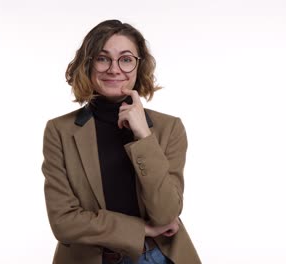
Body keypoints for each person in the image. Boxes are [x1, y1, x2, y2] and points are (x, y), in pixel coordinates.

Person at [41, 19, 201, 264]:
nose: (114, 69)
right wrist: (141, 230)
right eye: (103, 58)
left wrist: (144, 137)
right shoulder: (59, 131)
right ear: (88, 64)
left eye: (126, 59)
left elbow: (167, 213)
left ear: (139, 66)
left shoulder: (169, 128)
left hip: (156, 257)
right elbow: (63, 222)